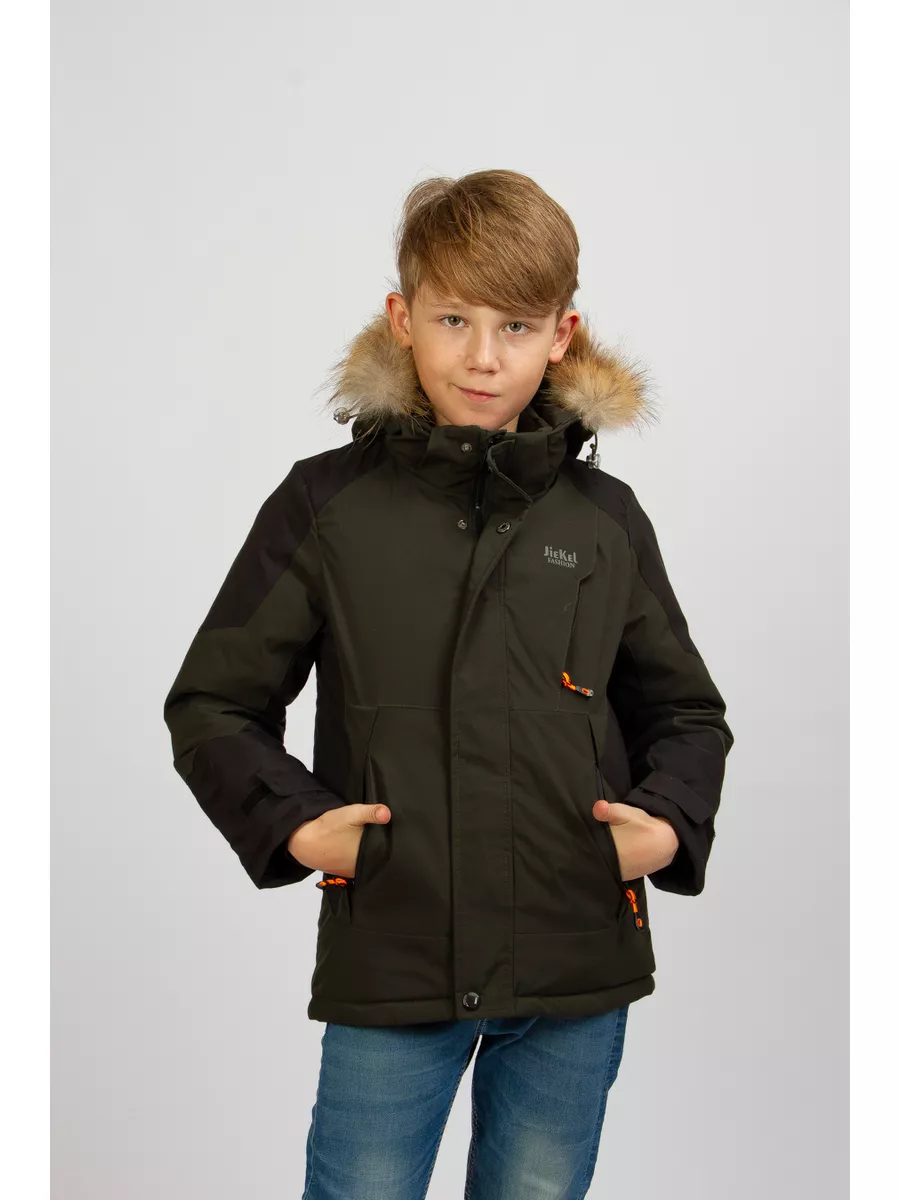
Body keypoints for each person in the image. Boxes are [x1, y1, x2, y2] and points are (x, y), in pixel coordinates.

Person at [163, 169, 734, 1199]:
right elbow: (214, 703)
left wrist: (667, 823)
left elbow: (686, 712)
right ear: (403, 318)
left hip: (574, 959)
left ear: (561, 335)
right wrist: (296, 824)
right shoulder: (326, 506)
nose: (482, 355)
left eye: (516, 325)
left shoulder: (604, 520)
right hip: (396, 949)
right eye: (454, 318)